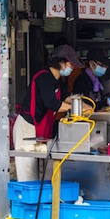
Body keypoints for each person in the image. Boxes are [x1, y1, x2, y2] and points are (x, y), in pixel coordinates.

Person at [12, 45, 81, 181]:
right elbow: (51, 103)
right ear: (61, 62)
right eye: (70, 65)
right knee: (27, 173)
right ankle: (27, 201)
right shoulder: (44, 78)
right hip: (26, 128)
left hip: (39, 130)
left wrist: (81, 104)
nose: (72, 68)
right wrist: (73, 108)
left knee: (37, 173)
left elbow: (64, 96)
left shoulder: (56, 80)